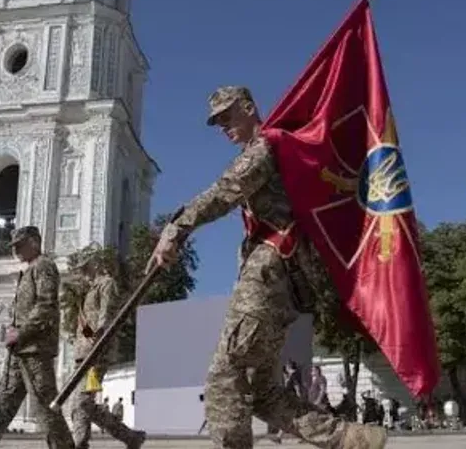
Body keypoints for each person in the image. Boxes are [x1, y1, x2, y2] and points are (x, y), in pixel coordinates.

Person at [146, 86, 387, 448]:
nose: (223, 126)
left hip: (270, 269)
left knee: (226, 375)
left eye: (228, 115)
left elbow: (224, 192)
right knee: (261, 391)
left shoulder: (265, 147)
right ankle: (350, 438)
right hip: (284, 279)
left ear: (249, 107)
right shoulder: (271, 148)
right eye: (217, 122)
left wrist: (175, 229)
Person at [0, 226, 75, 449]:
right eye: (14, 246)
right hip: (19, 351)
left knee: (45, 406)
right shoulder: (28, 271)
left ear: (34, 242)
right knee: (2, 400)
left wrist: (22, 332)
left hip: (35, 350)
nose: (16, 250)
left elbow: (46, 305)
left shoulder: (44, 266)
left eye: (20, 245)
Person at [70, 251, 146, 449]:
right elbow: (86, 324)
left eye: (85, 268)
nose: (83, 273)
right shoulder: (88, 290)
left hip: (96, 352)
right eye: (80, 270)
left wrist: (99, 341)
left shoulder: (106, 283)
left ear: (95, 265)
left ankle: (81, 443)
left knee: (82, 402)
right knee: (82, 403)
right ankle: (130, 437)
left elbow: (107, 314)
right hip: (84, 352)